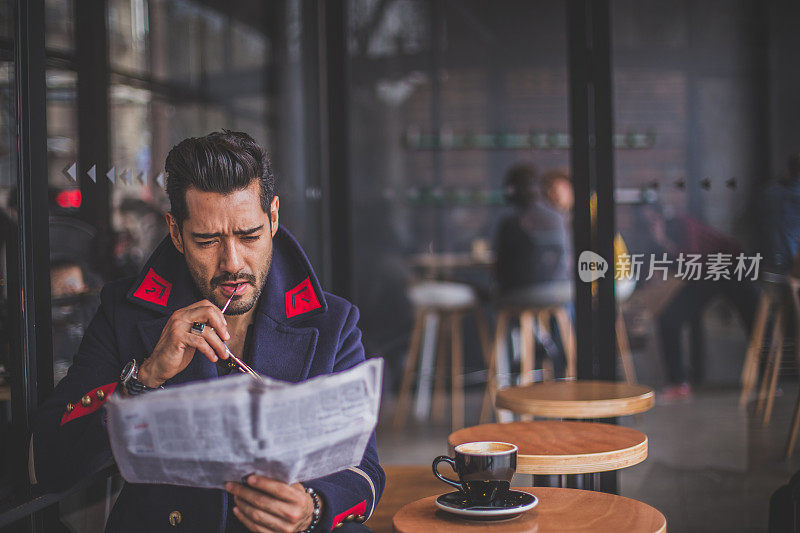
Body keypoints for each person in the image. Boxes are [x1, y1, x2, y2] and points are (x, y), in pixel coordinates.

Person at [32, 131, 384, 533]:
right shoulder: (125, 314)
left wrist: (313, 508)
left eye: (249, 235)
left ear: (273, 217)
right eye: (207, 240)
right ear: (176, 233)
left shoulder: (331, 323)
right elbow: (49, 462)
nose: (232, 263)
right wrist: (144, 379)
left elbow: (364, 468)